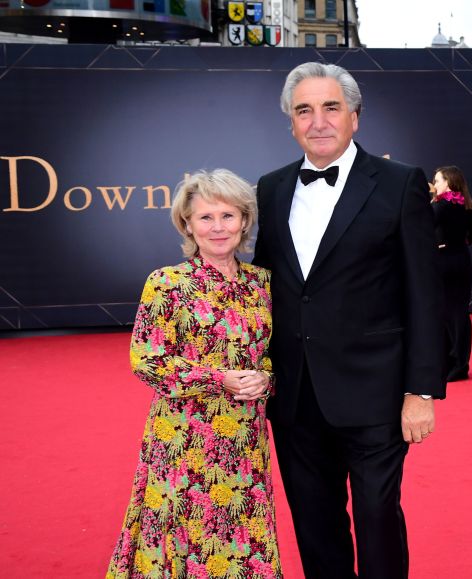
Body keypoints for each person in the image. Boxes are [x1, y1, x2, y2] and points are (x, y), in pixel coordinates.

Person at [252, 62, 444, 579]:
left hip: (375, 391)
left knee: (377, 518)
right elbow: (264, 288)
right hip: (294, 394)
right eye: (304, 111)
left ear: (355, 117)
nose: (318, 121)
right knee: (315, 525)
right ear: (291, 123)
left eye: (331, 107)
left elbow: (425, 294)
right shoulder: (269, 190)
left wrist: (421, 390)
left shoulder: (400, 183)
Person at [106, 170, 281, 578]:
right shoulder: (168, 283)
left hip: (244, 438)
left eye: (228, 216)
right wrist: (218, 378)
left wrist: (267, 380)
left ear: (244, 222)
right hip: (185, 437)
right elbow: (148, 360)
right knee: (184, 531)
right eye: (205, 218)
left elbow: (277, 356)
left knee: (242, 535)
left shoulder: (263, 284)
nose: (218, 227)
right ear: (187, 224)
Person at [432, 165, 472, 381]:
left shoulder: (440, 206)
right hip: (462, 259)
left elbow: (422, 227)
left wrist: (441, 243)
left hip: (443, 263)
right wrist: (455, 242)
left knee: (444, 313)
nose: (435, 185)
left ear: (449, 182)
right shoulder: (469, 205)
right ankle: (460, 363)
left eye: (438, 180)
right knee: (459, 312)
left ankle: (452, 363)